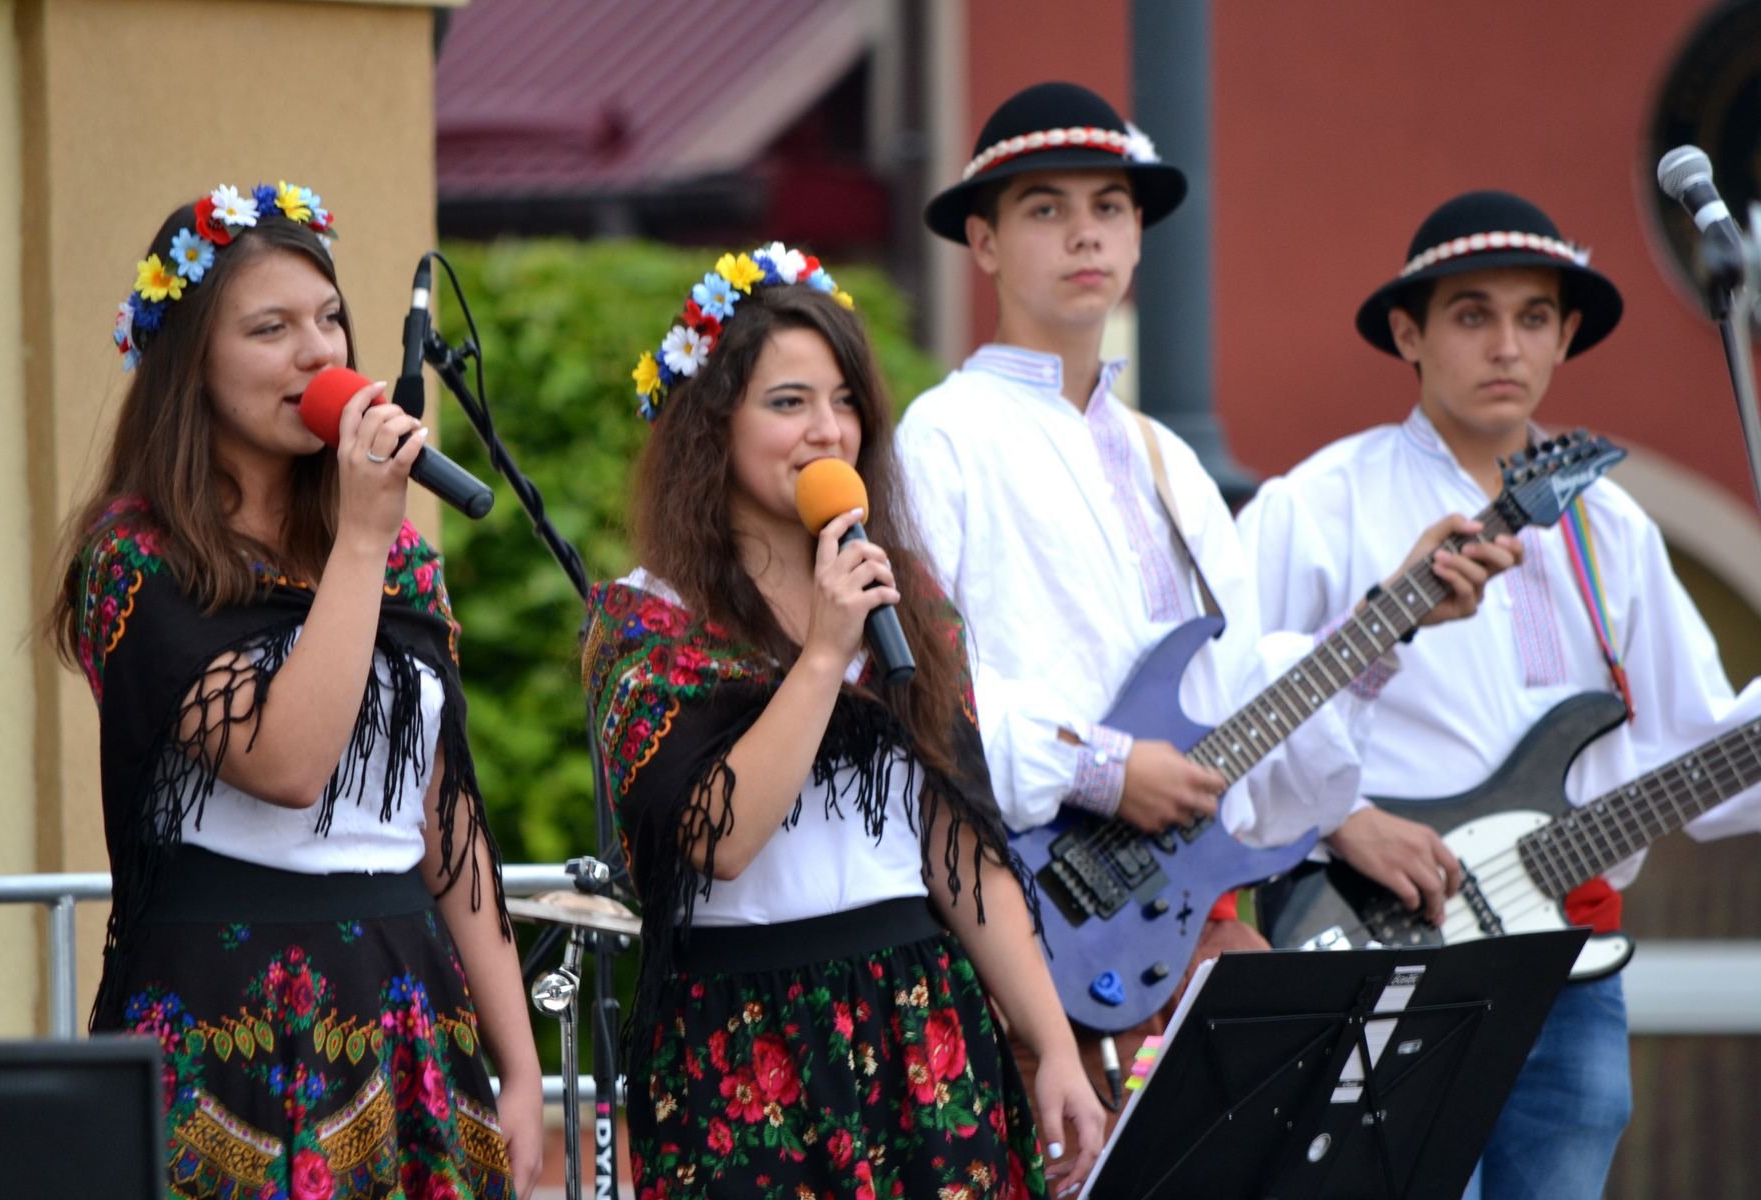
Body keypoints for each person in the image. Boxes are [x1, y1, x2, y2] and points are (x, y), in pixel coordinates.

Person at [895, 81, 1519, 1133]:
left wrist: (1383, 624)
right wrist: (1103, 768)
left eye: (1110, 207)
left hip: (1187, 928)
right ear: (984, 241)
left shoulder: (1170, 462)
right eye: (1046, 208)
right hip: (1026, 929)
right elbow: (924, 687)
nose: (1086, 233)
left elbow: (1237, 706)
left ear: (1139, 238)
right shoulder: (941, 434)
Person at [1236, 189, 1761, 1200]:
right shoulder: (1318, 504)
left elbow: (1697, 746)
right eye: (1473, 315)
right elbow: (1232, 714)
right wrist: (1343, 818)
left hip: (1570, 961)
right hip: (1378, 935)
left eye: (1533, 317)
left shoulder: (1613, 529)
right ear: (1409, 333)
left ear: (1565, 338)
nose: (1506, 346)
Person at [50, 182, 543, 1198]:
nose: (318, 353)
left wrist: (522, 1063)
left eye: (329, 320)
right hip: (228, 1013)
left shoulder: (400, 563)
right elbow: (286, 764)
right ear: (189, 362)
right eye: (270, 329)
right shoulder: (137, 559)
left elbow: (446, 819)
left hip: (407, 1004)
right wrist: (362, 538)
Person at [584, 244, 1106, 1197]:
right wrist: (824, 653)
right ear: (713, 424)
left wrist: (1055, 1045)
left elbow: (963, 850)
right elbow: (715, 840)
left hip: (921, 1021)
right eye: (789, 402)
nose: (827, 431)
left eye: (845, 401)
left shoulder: (908, 602)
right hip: (743, 1038)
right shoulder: (648, 624)